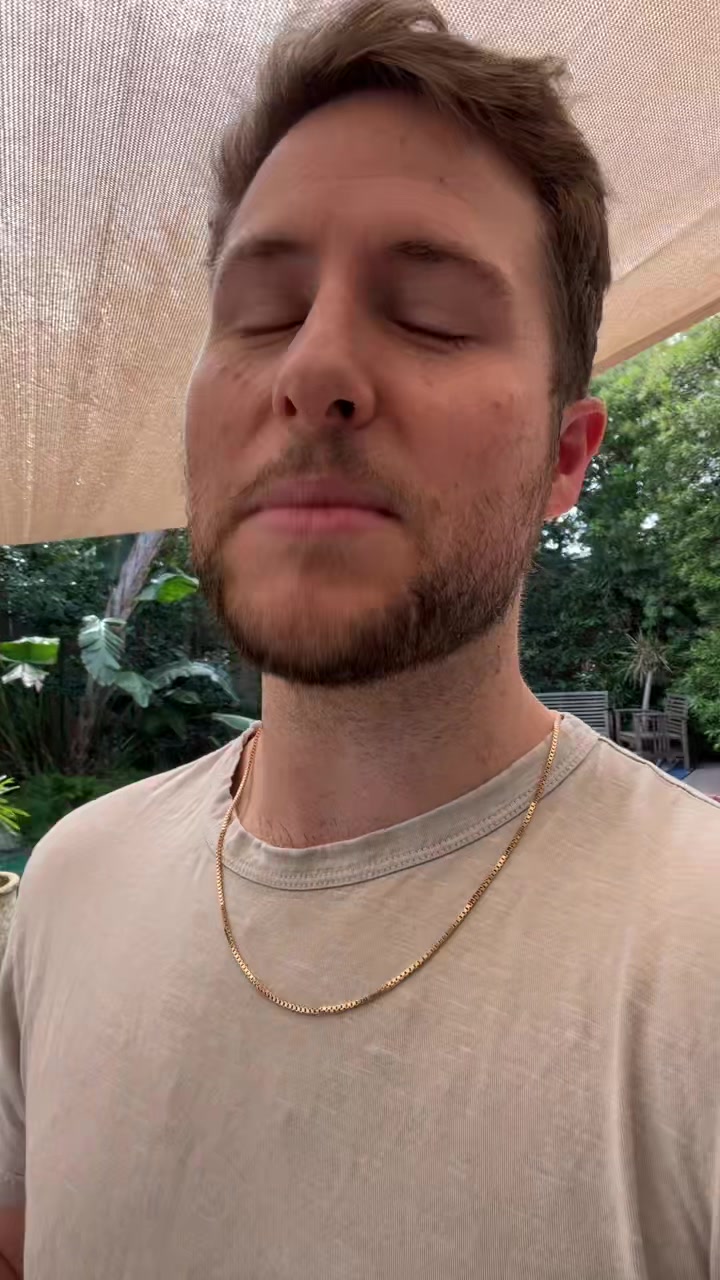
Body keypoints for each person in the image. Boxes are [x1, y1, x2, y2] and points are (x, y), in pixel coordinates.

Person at [1, 0, 719, 1275]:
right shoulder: (68, 885)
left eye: (431, 314)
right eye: (261, 311)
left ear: (566, 457)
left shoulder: (694, 959)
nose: (315, 366)